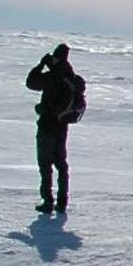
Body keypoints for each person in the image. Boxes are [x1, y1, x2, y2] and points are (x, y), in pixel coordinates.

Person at [25, 43, 85, 214]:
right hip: (62, 126)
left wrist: (41, 65)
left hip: (47, 125)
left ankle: (47, 201)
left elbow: (31, 83)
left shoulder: (53, 76)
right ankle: (62, 202)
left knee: (45, 164)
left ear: (56, 58)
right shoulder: (71, 77)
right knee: (61, 164)